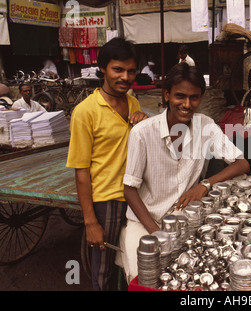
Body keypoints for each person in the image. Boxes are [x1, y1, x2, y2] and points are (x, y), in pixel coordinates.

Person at [118, 62, 250, 283]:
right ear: (167, 94)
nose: (187, 104)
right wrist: (157, 232)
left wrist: (205, 184)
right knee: (144, 280)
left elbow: (242, 163)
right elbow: (129, 190)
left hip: (184, 220)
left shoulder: (205, 125)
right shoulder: (143, 133)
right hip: (145, 222)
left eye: (194, 97)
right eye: (180, 96)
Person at [66, 37, 148, 291]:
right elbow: (81, 171)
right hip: (106, 200)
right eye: (118, 69)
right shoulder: (85, 111)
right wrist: (90, 222)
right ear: (103, 68)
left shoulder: (133, 102)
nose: (125, 76)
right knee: (102, 270)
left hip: (133, 194)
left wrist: (144, 121)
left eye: (131, 70)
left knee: (128, 260)